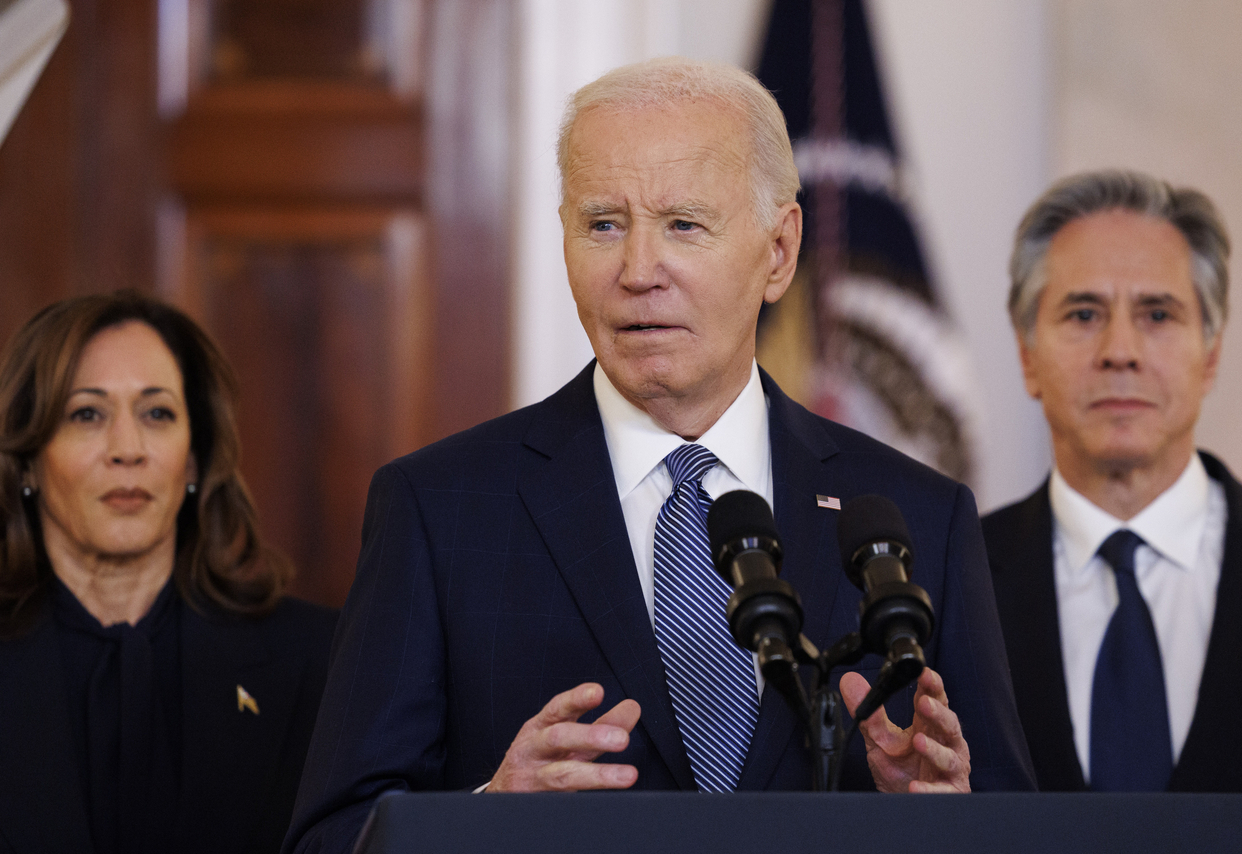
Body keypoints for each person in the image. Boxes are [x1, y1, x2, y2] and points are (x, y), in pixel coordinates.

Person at [285, 57, 1033, 852]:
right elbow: (330, 837)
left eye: (684, 225)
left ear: (779, 252)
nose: (638, 272)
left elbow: (1011, 828)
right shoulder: (438, 510)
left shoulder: (918, 518)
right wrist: (483, 813)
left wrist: (947, 820)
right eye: (603, 224)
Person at [0, 291, 337, 853]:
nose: (127, 449)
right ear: (29, 457)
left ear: (195, 458)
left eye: (157, 413)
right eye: (87, 413)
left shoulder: (321, 660)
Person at [983, 169, 1242, 792]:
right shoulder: (953, 577)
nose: (1120, 350)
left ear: (1212, 355)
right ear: (1027, 356)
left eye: (1157, 314)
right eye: (1084, 313)